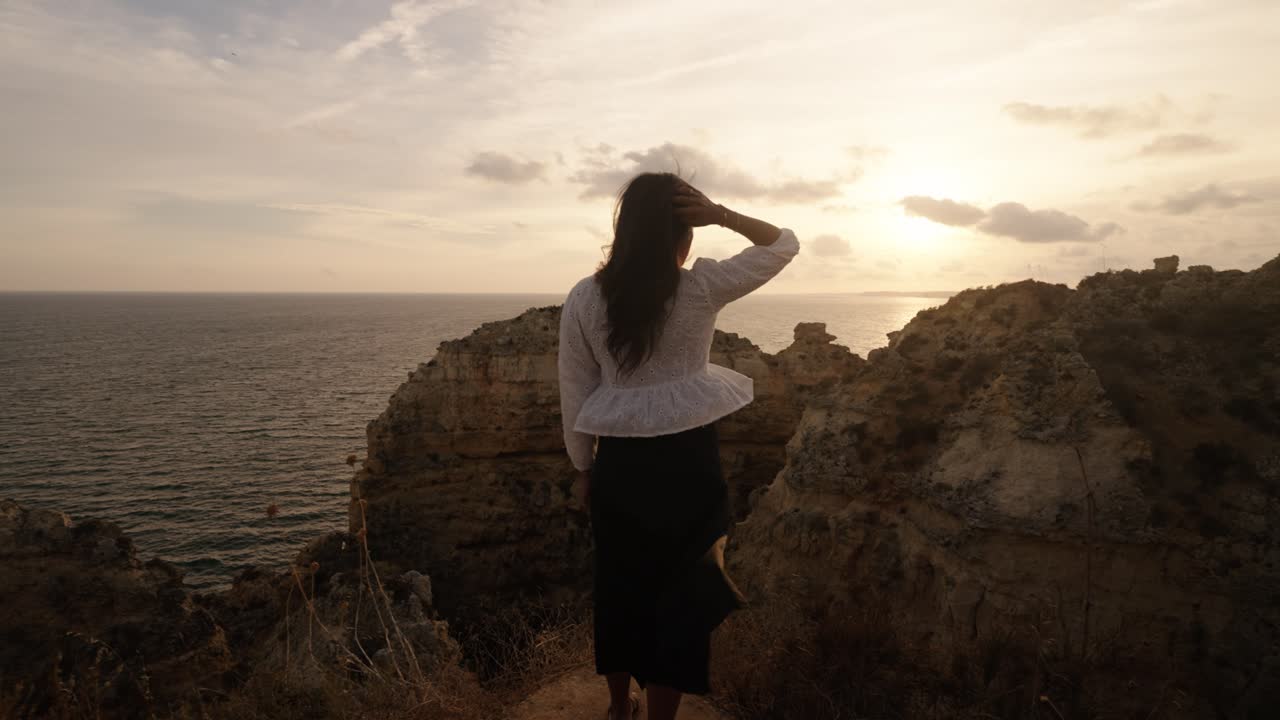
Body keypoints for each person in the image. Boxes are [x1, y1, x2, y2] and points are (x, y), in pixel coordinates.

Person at [557, 171, 800, 719]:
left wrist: (582, 469)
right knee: (682, 595)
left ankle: (620, 707)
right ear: (682, 233)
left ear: (624, 230)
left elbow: (575, 391)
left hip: (620, 463)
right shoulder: (701, 287)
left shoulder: (584, 298)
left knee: (620, 586)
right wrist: (722, 215)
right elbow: (784, 243)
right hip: (690, 461)